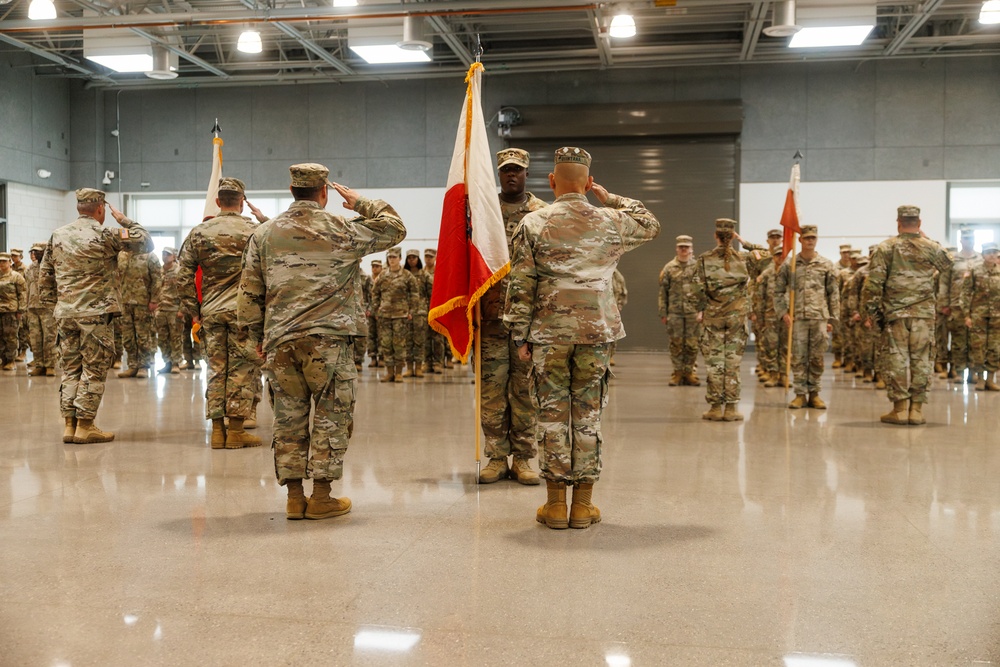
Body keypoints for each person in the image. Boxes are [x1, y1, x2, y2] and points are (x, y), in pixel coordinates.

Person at [238, 163, 406, 520]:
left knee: (288, 419)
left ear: (291, 189)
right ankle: (321, 497)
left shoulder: (264, 233)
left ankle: (294, 498)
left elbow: (249, 292)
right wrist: (361, 202)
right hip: (329, 341)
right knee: (331, 416)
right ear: (324, 192)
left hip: (281, 341)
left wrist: (254, 339)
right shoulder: (342, 229)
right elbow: (395, 227)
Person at [505, 146, 660, 529]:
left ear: (551, 181)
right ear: (589, 183)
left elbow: (521, 285)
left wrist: (520, 337)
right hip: (596, 333)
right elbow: (650, 222)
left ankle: (556, 505)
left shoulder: (533, 223)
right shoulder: (610, 220)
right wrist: (611, 199)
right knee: (587, 416)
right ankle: (583, 506)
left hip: (548, 334)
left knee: (552, 415)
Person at [39, 188, 152, 443]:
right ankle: (86, 424)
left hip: (66, 314)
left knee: (70, 369)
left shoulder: (58, 235)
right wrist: (124, 220)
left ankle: (69, 425)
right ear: (101, 209)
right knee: (93, 368)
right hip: (95, 314)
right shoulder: (107, 234)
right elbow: (145, 241)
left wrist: (56, 307)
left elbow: (45, 275)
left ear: (78, 207)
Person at [478, 147, 547, 485]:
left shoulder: (542, 214)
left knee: (525, 391)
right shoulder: (483, 213)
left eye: (517, 169)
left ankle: (522, 458)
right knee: (491, 392)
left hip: (528, 322)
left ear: (526, 173)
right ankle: (495, 457)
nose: (511, 175)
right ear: (498, 173)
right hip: (490, 319)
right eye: (506, 169)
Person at [178, 177, 262, 449]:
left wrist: (194, 310)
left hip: (211, 312)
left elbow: (183, 275)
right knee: (241, 370)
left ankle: (217, 431)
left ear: (217, 201)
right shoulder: (255, 231)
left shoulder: (200, 232)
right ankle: (236, 430)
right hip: (245, 312)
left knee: (215, 369)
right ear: (242, 202)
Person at [863, 205, 952, 426]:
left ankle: (900, 409)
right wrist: (926, 239)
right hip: (923, 315)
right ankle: (917, 410)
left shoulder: (886, 247)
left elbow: (873, 284)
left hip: (895, 315)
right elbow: (948, 263)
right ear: (919, 223)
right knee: (922, 360)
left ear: (898, 223)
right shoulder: (931, 247)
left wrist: (872, 313)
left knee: (896, 360)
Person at [690, 219, 767, 421]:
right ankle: (731, 408)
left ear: (715, 236)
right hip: (736, 319)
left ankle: (715, 408)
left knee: (715, 364)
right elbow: (769, 255)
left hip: (713, 318)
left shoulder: (705, 259)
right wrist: (745, 243)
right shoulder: (745, 258)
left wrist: (703, 308)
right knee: (732, 363)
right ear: (733, 236)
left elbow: (695, 289)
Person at [774, 225, 840, 409]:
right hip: (798, 318)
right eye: (807, 238)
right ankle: (800, 394)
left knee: (817, 357)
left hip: (819, 318)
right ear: (800, 240)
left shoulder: (826, 264)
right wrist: (783, 312)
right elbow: (778, 291)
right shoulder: (790, 265)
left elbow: (833, 293)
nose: (810, 241)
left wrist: (833, 319)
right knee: (798, 357)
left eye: (813, 238)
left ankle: (815, 394)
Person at [371, 247, 418, 383]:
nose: (391, 260)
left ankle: (398, 373)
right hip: (385, 315)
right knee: (386, 344)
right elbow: (375, 293)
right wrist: (376, 309)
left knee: (399, 345)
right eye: (390, 257)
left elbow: (414, 294)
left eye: (394, 257)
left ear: (400, 259)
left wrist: (411, 311)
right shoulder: (383, 275)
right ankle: (389, 372)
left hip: (400, 315)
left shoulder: (407, 275)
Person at [658, 235, 700, 386]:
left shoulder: (698, 267)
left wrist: (702, 311)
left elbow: (703, 291)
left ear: (691, 249)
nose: (684, 249)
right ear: (677, 249)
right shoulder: (669, 268)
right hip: (674, 312)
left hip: (693, 313)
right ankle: (677, 372)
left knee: (692, 344)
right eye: (681, 247)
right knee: (676, 344)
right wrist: (663, 313)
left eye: (686, 247)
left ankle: (689, 373)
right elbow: (663, 292)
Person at [940, 229, 981, 384]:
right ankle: (958, 371)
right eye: (966, 238)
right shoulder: (952, 260)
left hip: (977, 306)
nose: (968, 241)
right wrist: (944, 303)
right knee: (958, 340)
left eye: (971, 238)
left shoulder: (980, 259)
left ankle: (973, 372)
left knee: (975, 341)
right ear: (961, 240)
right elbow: (944, 282)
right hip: (956, 305)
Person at [116, 247, 162, 378]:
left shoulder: (149, 256)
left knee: (143, 336)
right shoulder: (121, 255)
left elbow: (157, 279)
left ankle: (143, 366)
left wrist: (154, 299)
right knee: (128, 337)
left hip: (143, 302)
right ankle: (132, 366)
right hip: (125, 302)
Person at [961, 242, 1000, 391]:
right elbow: (965, 293)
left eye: (994, 252)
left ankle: (990, 379)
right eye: (988, 252)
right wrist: (966, 315)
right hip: (978, 315)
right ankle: (980, 379)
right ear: (983, 255)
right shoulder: (975, 271)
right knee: (978, 348)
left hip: (997, 317)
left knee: (995, 348)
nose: (992, 255)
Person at [24, 243, 58, 376]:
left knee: (49, 338)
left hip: (48, 307)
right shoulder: (30, 268)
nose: (35, 254)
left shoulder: (53, 267)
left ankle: (50, 365)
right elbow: (27, 287)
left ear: (45, 252)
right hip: (33, 307)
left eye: (38, 251)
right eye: (33, 252)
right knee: (35, 338)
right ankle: (39, 365)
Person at [754, 248, 785, 388]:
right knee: (771, 346)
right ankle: (773, 374)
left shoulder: (791, 273)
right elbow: (760, 296)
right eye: (777, 255)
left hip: (786, 316)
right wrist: (760, 317)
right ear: (773, 257)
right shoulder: (767, 274)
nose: (780, 258)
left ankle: (784, 376)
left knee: (785, 347)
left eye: (782, 255)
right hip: (770, 316)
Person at [155, 247, 184, 375]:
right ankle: (167, 363)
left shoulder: (179, 271)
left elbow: (185, 291)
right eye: (163, 254)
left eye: (167, 254)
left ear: (174, 257)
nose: (165, 256)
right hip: (161, 309)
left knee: (175, 338)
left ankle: (175, 364)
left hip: (174, 309)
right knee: (162, 339)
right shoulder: (158, 271)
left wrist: (182, 309)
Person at [402, 249, 430, 378]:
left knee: (419, 340)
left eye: (414, 258)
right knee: (407, 341)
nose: (411, 260)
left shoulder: (424, 275)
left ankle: (418, 367)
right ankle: (409, 367)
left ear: (418, 259)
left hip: (421, 312)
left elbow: (431, 293)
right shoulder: (404, 275)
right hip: (406, 311)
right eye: (409, 258)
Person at [0, 252, 27, 371]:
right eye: (0, 261)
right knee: (0, 337)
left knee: (10, 336)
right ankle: (3, 360)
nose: (1, 263)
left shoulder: (16, 276)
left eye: (4, 261)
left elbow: (22, 294)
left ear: (10, 262)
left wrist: (21, 310)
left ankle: (11, 360)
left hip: (11, 311)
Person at [423, 248, 447, 373]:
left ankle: (438, 362)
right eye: (426, 257)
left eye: (431, 257)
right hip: (423, 309)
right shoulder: (421, 273)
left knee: (438, 338)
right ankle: (427, 362)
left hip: (437, 308)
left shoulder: (440, 272)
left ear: (435, 258)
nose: (428, 259)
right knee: (426, 338)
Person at [8, 248, 29, 363]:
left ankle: (23, 351)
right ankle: (14, 351)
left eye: (15, 256)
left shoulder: (25, 269)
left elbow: (25, 288)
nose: (13, 258)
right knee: (12, 329)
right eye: (12, 256)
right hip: (11, 302)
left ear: (21, 256)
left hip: (21, 302)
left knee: (22, 328)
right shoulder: (10, 268)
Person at [366, 259, 382, 368]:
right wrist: (367, 308)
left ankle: (382, 358)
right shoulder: (368, 279)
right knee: (371, 335)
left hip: (381, 311)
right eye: (373, 266)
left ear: (381, 268)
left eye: (377, 266)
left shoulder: (383, 279)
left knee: (381, 335)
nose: (374, 268)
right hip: (370, 311)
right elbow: (366, 295)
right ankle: (373, 358)